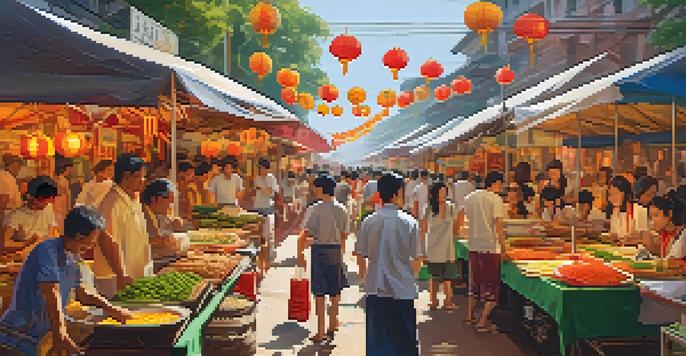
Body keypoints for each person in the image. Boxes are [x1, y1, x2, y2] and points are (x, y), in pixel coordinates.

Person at [0, 206, 132, 356]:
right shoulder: (46, 251)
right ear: (78, 236)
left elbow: (83, 294)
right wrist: (60, 334)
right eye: (93, 239)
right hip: (17, 337)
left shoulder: (73, 257)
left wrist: (112, 309)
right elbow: (51, 293)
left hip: (39, 337)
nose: (93, 244)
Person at [354, 173, 423, 356]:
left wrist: (364, 280)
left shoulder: (368, 221)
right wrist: (410, 278)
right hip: (403, 291)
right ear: (398, 193)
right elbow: (417, 258)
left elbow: (360, 256)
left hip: (375, 289)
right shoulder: (410, 223)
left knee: (378, 343)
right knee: (404, 343)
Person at [297, 175, 349, 343]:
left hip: (319, 251)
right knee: (335, 289)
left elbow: (304, 234)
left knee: (319, 293)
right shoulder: (342, 209)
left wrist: (300, 255)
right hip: (335, 250)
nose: (313, 190)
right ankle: (333, 323)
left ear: (320, 189)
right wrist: (341, 253)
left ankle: (320, 332)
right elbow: (345, 234)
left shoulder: (314, 208)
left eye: (315, 187)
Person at [93, 153, 148, 299]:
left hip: (133, 274)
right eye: (139, 177)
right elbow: (107, 240)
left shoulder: (133, 197)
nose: (143, 181)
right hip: (114, 278)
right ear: (126, 176)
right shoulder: (112, 203)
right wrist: (120, 274)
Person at [462, 171, 506, 333]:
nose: (501, 188)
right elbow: (498, 226)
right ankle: (482, 321)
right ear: (494, 183)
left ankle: (470, 315)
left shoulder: (470, 198)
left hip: (473, 245)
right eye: (500, 184)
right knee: (491, 285)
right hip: (490, 246)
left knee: (475, 282)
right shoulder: (495, 199)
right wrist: (503, 249)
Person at [2, 177, 59, 253]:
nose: (46, 202)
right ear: (30, 196)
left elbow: (53, 233)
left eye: (49, 198)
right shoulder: (16, 215)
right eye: (41, 198)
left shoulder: (49, 208)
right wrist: (27, 243)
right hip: (24, 256)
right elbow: (5, 244)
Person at [426, 182, 459, 310]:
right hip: (433, 246)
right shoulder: (428, 208)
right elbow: (423, 228)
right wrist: (422, 248)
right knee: (435, 276)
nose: (443, 195)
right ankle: (433, 299)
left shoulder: (450, 206)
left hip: (447, 245)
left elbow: (455, 226)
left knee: (447, 277)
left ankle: (447, 300)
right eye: (440, 192)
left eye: (444, 192)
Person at [143, 179, 185, 262]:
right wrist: (163, 241)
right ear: (158, 199)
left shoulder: (160, 215)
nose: (170, 207)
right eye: (169, 204)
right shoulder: (143, 217)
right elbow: (143, 242)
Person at [254, 158, 279, 271]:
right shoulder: (257, 178)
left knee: (268, 235)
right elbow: (256, 190)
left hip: (268, 208)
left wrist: (262, 189)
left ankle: (269, 259)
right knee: (259, 236)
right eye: (260, 168)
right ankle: (260, 260)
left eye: (263, 168)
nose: (261, 170)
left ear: (267, 168)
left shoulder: (271, 178)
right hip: (258, 207)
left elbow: (271, 192)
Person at [649, 196, 685, 263]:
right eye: (651, 216)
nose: (652, 220)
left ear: (669, 213)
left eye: (656, 215)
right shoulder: (664, 234)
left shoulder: (682, 235)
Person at [628, 177, 659, 246]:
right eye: (648, 195)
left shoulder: (656, 208)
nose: (652, 198)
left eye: (654, 194)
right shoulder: (634, 209)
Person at [607, 175, 635, 244]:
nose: (612, 198)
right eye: (610, 194)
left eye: (616, 194)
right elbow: (614, 234)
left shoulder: (637, 210)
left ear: (625, 194)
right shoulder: (615, 211)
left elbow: (644, 239)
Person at [52, 157, 74, 235]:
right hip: (60, 210)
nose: (69, 171)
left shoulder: (60, 179)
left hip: (59, 210)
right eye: (69, 169)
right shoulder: (62, 181)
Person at [0, 154, 23, 218]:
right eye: (19, 165)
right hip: (6, 219)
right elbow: (3, 201)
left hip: (12, 218)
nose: (19, 168)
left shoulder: (10, 177)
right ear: (14, 164)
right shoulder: (4, 177)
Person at [412, 170, 430, 238]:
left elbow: (415, 202)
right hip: (430, 213)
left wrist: (414, 215)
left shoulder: (417, 188)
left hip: (420, 213)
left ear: (420, 177)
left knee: (421, 233)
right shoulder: (431, 187)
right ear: (428, 177)